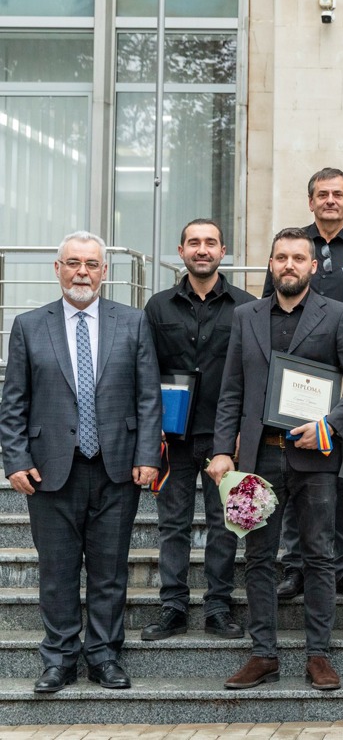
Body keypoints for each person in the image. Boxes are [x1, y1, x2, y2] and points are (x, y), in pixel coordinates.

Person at [207, 227, 343, 692]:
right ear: (270, 263)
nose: (288, 265)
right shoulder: (246, 316)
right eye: (280, 257)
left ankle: (318, 655)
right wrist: (223, 450)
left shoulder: (337, 315)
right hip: (259, 458)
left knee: (319, 556)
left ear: (313, 266)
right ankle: (264, 654)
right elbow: (232, 392)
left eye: (298, 258)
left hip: (316, 458)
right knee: (259, 557)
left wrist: (330, 424)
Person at [0, 231, 162, 694]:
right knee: (56, 572)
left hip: (117, 468)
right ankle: (59, 660)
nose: (82, 272)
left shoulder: (132, 322)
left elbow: (148, 396)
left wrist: (148, 454)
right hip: (49, 470)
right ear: (57, 269)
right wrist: (14, 460)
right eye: (73, 263)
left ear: (105, 272)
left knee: (110, 570)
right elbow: (13, 401)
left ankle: (105, 657)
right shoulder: (30, 325)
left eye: (91, 264)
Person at [269, 168, 343, 603]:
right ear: (311, 201)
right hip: (295, 383)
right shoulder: (292, 244)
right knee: (292, 472)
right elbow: (272, 307)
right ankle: (296, 566)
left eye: (338, 194)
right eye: (322, 194)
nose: (331, 200)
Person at [141, 219, 254, 643]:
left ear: (222, 250)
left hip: (223, 438)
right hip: (172, 437)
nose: (201, 249)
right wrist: (148, 435)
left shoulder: (246, 306)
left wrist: (245, 431)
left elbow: (252, 374)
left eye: (210, 242)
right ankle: (172, 607)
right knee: (173, 524)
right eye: (193, 243)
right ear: (181, 250)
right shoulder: (158, 306)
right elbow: (145, 373)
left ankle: (218, 608)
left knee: (225, 524)